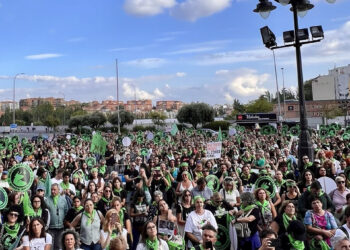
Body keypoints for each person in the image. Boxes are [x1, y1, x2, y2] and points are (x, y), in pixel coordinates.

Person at [45, 183, 69, 250]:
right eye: (51, 190)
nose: (53, 191)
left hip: (61, 228)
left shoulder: (63, 200)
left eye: (54, 190)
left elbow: (66, 211)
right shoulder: (47, 200)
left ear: (59, 190)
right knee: (50, 246)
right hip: (50, 228)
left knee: (59, 246)